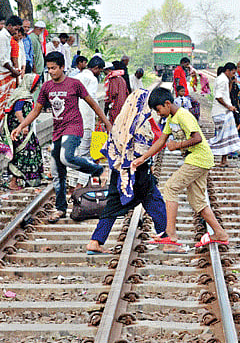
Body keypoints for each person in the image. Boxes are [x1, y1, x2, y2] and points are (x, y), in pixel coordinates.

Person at [11, 51, 112, 223]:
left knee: (66, 157)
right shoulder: (47, 87)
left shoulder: (74, 84)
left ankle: (96, 169)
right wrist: (21, 126)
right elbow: (36, 111)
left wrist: (107, 123)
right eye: (48, 68)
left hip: (74, 127)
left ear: (63, 67)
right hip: (57, 130)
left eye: (54, 68)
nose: (51, 71)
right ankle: (60, 209)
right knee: (58, 173)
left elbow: (93, 104)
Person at [136, 87, 230, 252]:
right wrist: (143, 158)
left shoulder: (183, 115)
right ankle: (220, 234)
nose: (158, 114)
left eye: (158, 110)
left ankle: (170, 235)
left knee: (171, 187)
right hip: (198, 159)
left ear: (167, 103)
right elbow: (161, 141)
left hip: (199, 158)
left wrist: (177, 145)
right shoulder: (172, 118)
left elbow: (198, 138)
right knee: (197, 201)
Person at [86, 89, 168, 255]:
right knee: (155, 202)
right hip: (137, 173)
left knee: (112, 206)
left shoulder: (121, 121)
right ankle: (166, 237)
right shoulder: (141, 122)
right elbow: (142, 150)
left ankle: (95, 241)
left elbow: (109, 147)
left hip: (119, 171)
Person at [3, 74, 44, 190]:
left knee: (29, 151)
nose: (37, 88)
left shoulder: (23, 94)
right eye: (36, 85)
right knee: (22, 153)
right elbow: (17, 111)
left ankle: (25, 180)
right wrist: (23, 126)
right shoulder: (22, 95)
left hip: (22, 128)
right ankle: (13, 182)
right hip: (19, 129)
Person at [0, 16, 24, 135]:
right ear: (9, 26)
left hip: (5, 72)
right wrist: (14, 71)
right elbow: (4, 59)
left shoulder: (6, 37)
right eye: (16, 29)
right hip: (0, 71)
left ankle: (1, 125)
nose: (16, 32)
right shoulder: (2, 37)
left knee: (6, 100)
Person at [74, 55, 106, 185]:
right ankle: (80, 184)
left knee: (74, 154)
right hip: (86, 121)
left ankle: (72, 183)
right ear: (96, 68)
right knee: (85, 154)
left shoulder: (75, 76)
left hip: (73, 121)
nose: (100, 74)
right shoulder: (92, 79)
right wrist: (101, 117)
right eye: (100, 71)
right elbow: (92, 99)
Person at [210, 62, 240, 167]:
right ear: (228, 71)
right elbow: (219, 97)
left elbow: (226, 94)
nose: (234, 75)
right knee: (220, 138)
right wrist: (229, 107)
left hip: (223, 112)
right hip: (221, 112)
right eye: (233, 73)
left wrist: (230, 82)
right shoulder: (222, 80)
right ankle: (202, 148)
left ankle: (224, 161)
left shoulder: (224, 79)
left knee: (226, 137)